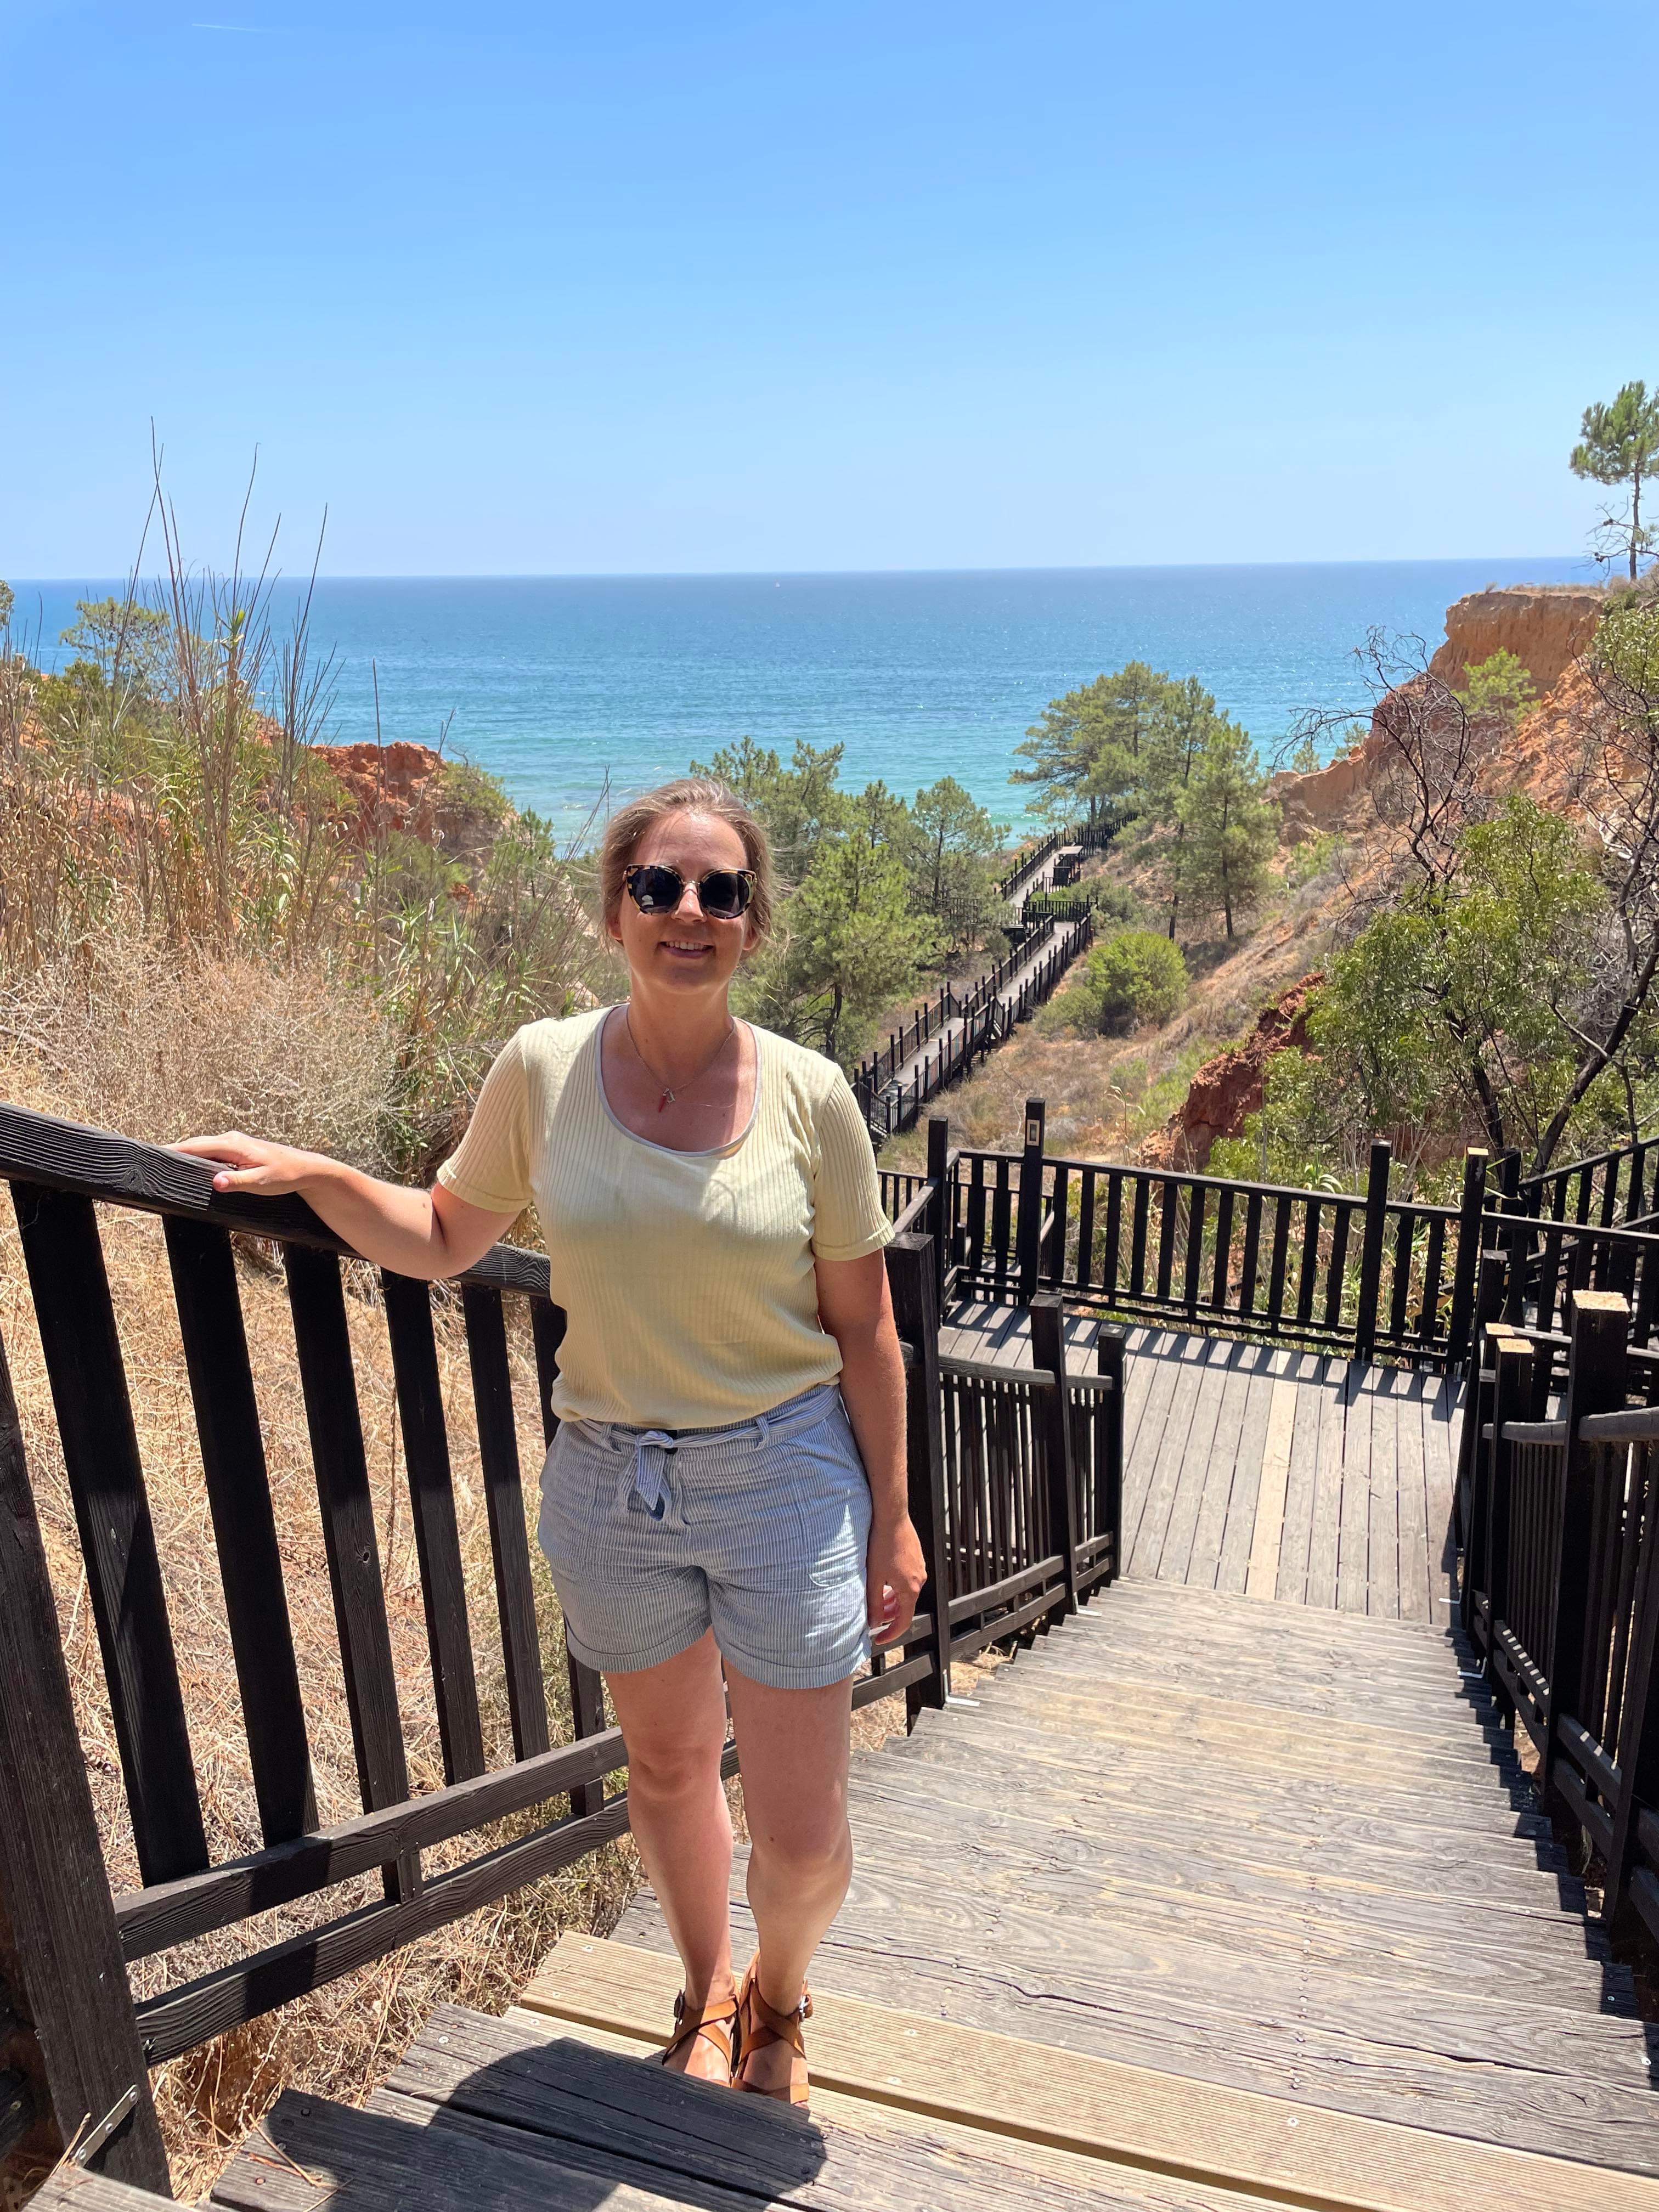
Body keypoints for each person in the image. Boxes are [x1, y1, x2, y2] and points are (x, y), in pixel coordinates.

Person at [178, 775, 926, 2109]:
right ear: (614, 913)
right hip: (610, 1480)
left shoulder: (814, 1101)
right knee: (667, 1764)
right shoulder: (543, 1068)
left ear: (753, 923)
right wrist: (316, 1175)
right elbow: (449, 1233)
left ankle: (784, 1991)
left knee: (804, 1839)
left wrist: (893, 1513)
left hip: (787, 1477)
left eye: (720, 891)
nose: (688, 912)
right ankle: (705, 1994)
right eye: (658, 887)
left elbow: (869, 1333)